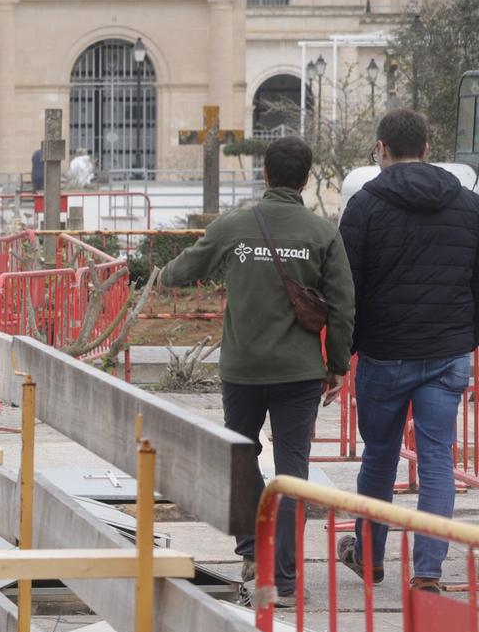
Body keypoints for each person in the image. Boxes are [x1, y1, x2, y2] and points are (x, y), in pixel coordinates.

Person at [161, 134, 354, 604]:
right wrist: (337, 366)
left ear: (264, 174)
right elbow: (344, 306)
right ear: (306, 179)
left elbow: (181, 271)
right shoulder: (322, 232)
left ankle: (251, 550)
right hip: (300, 373)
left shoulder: (236, 226)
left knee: (240, 458)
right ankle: (285, 583)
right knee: (292, 470)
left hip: (243, 371)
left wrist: (159, 275)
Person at [338, 108, 479, 593]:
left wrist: (345, 352)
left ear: (381, 149)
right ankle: (427, 572)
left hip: (384, 354)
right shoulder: (467, 205)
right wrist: (466, 335)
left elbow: (347, 287)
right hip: (447, 353)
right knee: (438, 457)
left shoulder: (365, 205)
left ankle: (370, 557)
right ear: (426, 147)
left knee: (378, 456)